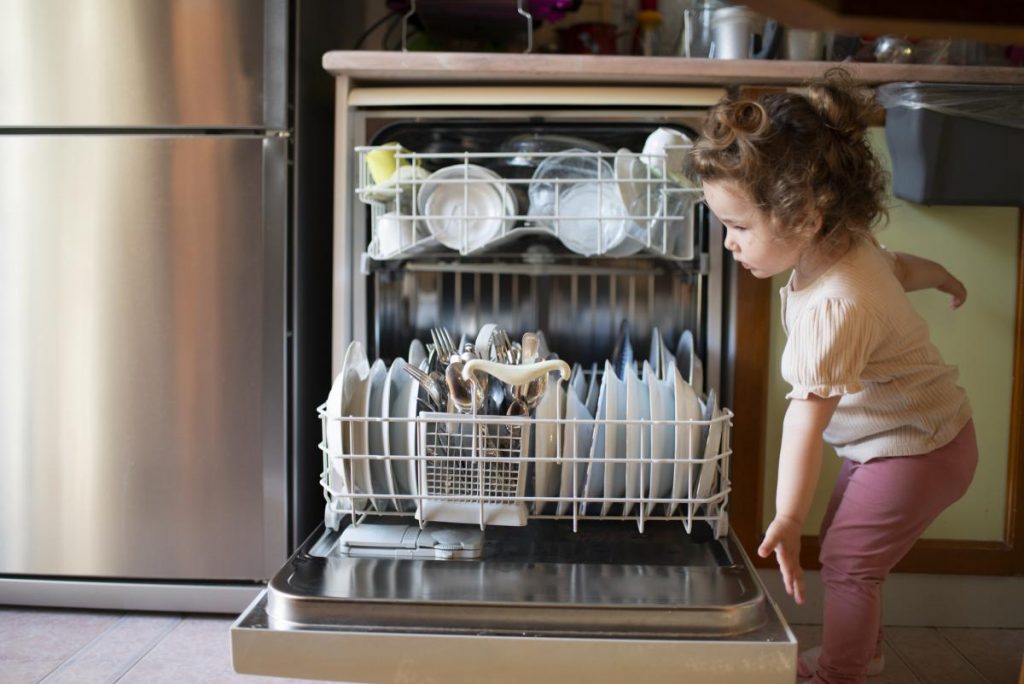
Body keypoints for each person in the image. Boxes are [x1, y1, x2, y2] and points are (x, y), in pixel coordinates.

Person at [687, 70, 977, 684]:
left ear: (805, 219)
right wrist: (944, 275)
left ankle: (841, 673)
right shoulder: (847, 245)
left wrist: (787, 517)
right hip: (907, 439)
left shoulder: (836, 304)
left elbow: (805, 416)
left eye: (739, 227)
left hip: (919, 450)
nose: (729, 243)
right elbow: (899, 267)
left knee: (847, 562)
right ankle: (862, 652)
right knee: (852, 552)